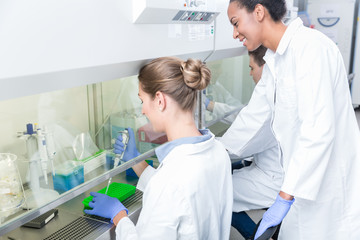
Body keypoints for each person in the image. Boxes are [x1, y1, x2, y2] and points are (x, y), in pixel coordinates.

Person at [222, 0, 360, 239]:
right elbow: (253, 120)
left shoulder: (310, 48)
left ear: (258, 11)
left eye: (236, 23)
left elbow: (318, 131)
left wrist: (284, 197)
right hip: (299, 190)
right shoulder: (275, 60)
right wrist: (211, 150)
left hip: (327, 196)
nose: (234, 34)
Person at [84, 57, 233, 239]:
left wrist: (119, 216)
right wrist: (136, 160)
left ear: (160, 100)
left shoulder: (169, 181)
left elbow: (171, 189)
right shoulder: (218, 151)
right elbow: (181, 194)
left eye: (142, 101)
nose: (143, 111)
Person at [229, 45, 284, 240]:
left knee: (220, 191)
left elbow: (240, 143)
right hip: (271, 169)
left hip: (272, 179)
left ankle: (255, 237)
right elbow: (247, 120)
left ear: (266, 66)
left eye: (252, 68)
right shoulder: (275, 88)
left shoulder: (271, 92)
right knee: (228, 179)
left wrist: (198, 143)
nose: (251, 74)